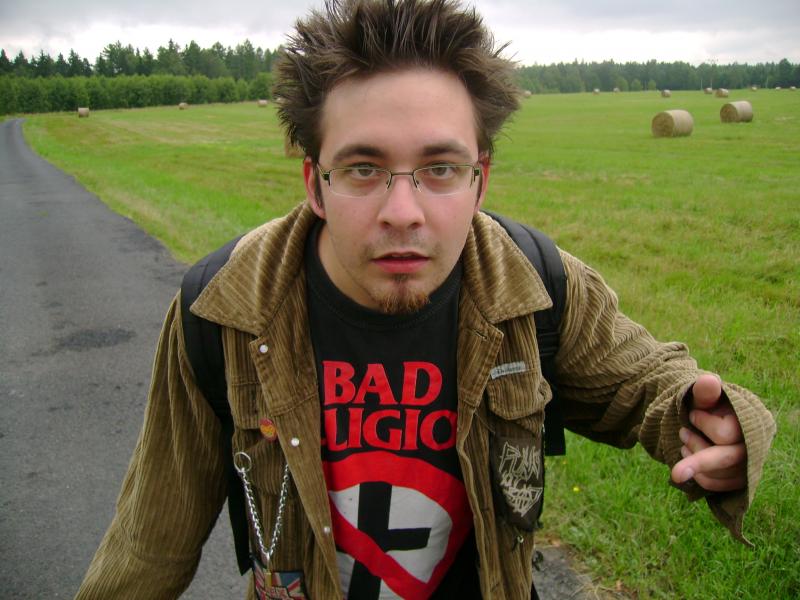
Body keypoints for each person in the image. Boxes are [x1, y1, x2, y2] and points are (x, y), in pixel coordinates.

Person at [75, 1, 775, 598]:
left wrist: (714, 423)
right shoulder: (220, 312)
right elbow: (148, 547)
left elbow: (652, 385)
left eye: (440, 168)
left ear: (480, 180)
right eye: (363, 168)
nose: (403, 212)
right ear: (315, 183)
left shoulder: (537, 287)